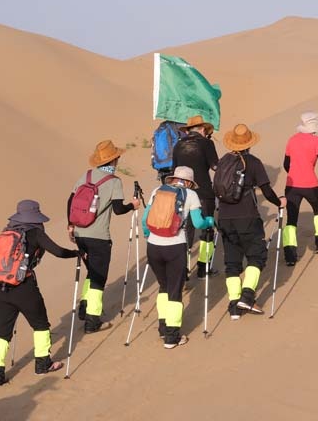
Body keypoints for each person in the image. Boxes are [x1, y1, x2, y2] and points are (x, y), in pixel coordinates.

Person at [0, 200, 79, 387]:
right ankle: (43, 364)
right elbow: (58, 252)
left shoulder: (6, 232)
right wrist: (76, 253)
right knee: (40, 325)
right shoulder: (36, 233)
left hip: (0, 290)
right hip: (24, 288)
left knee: (2, 332)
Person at [67, 140, 142, 333]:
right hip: (99, 237)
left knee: (92, 272)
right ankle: (93, 321)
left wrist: (70, 225)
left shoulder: (86, 175)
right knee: (98, 278)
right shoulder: (114, 182)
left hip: (80, 234)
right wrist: (132, 205)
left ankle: (84, 307)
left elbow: (71, 200)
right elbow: (118, 209)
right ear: (114, 160)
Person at [216, 124, 285, 318]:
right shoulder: (253, 162)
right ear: (249, 143)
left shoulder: (223, 161)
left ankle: (234, 306)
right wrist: (279, 202)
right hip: (247, 216)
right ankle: (247, 296)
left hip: (225, 217)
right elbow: (266, 190)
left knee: (232, 262)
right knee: (257, 256)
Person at [141, 166, 214, 349]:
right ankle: (172, 337)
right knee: (175, 290)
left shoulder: (157, 191)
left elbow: (144, 219)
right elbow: (197, 222)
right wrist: (209, 221)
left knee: (163, 286)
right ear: (189, 182)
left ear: (173, 179)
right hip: (175, 247)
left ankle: (163, 327)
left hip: (153, 247)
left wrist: (148, 235)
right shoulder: (191, 195)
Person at [282, 112, 318, 264]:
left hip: (292, 186)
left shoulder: (292, 139)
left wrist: (295, 174)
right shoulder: (317, 141)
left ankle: (290, 256)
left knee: (291, 220)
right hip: (311, 185)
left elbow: (286, 164)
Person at [172, 115, 219, 279]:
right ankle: (203, 267)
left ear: (188, 130)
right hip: (203, 192)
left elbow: (174, 170)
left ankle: (183, 269)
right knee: (207, 229)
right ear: (203, 129)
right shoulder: (206, 143)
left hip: (182, 193)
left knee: (185, 230)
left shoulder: (178, 145)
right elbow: (215, 166)